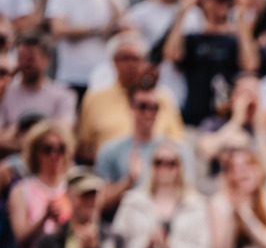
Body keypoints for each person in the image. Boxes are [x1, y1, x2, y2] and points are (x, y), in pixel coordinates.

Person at [163, 0, 260, 127]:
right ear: (205, 2)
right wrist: (183, 11)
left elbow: (250, 65)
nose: (223, 3)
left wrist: (241, 21)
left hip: (225, 119)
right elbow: (171, 55)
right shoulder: (194, 38)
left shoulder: (233, 40)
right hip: (194, 117)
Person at [76, 33, 185, 164]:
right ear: (114, 62)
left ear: (145, 62)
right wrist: (110, 160)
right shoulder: (94, 98)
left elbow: (178, 142)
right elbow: (83, 145)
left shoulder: (162, 97)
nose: (131, 64)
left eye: (136, 59)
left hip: (155, 169)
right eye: (125, 58)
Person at [95, 76, 188, 216]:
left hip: (166, 218)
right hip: (125, 222)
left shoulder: (174, 151)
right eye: (143, 106)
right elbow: (100, 204)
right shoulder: (109, 151)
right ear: (131, 107)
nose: (149, 113)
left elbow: (187, 195)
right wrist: (129, 181)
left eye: (154, 107)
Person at [7, 121, 73, 248]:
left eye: (60, 148)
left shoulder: (74, 186)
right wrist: (45, 218)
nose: (54, 155)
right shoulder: (22, 190)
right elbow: (21, 240)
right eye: (47, 149)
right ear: (35, 152)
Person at [44, 0, 127, 100]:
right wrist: (96, 29)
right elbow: (58, 29)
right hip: (71, 76)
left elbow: (124, 28)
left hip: (102, 79)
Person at [0, 32, 76, 143]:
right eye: (21, 58)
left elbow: (65, 134)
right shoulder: (4, 91)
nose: (25, 64)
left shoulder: (64, 94)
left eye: (31, 59)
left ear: (46, 60)